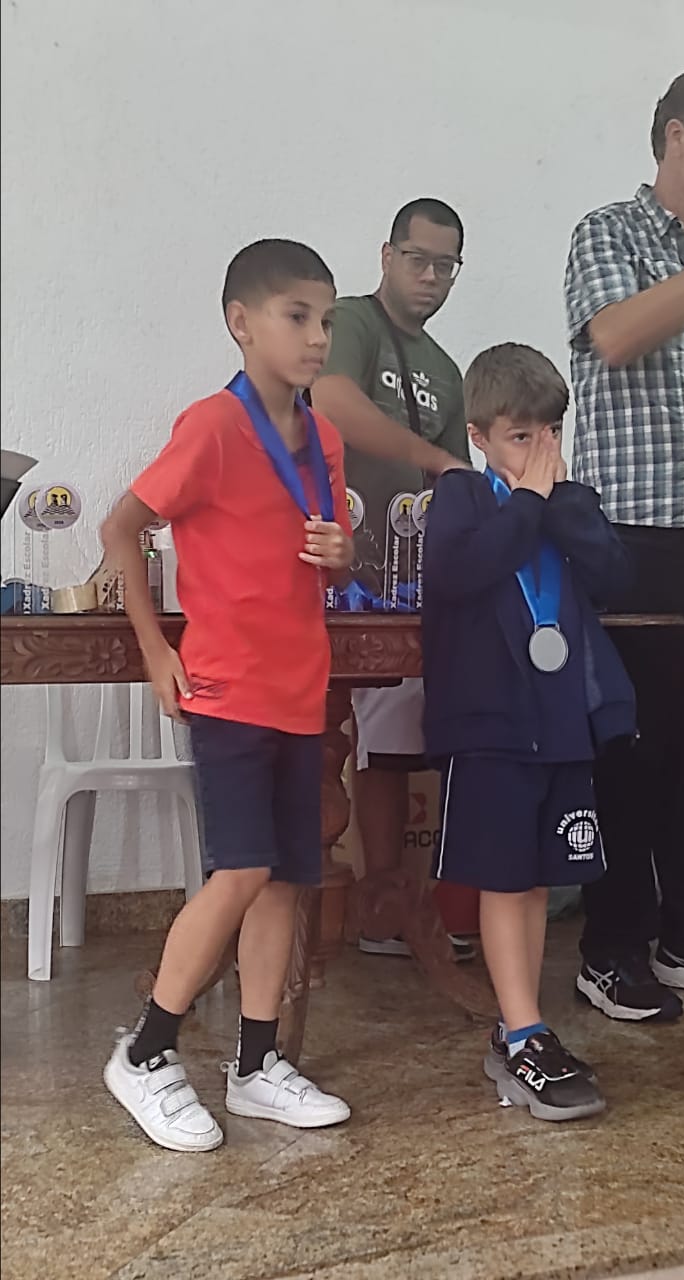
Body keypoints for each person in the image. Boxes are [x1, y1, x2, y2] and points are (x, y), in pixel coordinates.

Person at [101, 239, 354, 1152]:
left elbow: (328, 558)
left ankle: (255, 1066)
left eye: (327, 320)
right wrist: (154, 650)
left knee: (287, 879)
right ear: (241, 323)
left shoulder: (324, 438)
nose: (317, 337)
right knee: (241, 872)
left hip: (299, 686)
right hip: (229, 689)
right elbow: (121, 528)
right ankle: (145, 1052)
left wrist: (343, 555)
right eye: (298, 317)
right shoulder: (212, 427)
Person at [422, 343, 636, 1121]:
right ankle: (522, 1034)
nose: (541, 451)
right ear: (479, 436)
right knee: (504, 876)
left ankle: (523, 1028)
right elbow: (458, 572)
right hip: (493, 724)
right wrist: (528, 504)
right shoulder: (462, 496)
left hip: (560, 723)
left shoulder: (563, 505)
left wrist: (559, 501)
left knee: (541, 878)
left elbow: (615, 577)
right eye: (521, 436)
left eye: (551, 432)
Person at [565, 60, 684, 1021]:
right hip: (631, 534)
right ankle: (611, 948)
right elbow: (616, 337)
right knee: (628, 748)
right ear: (677, 136)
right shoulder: (609, 231)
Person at [312, 198, 472, 960]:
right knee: (313, 738)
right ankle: (303, 908)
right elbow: (332, 405)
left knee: (390, 740)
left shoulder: (446, 370)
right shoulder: (349, 321)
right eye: (418, 259)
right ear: (387, 255)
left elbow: (454, 479)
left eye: (446, 265)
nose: (431, 276)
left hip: (403, 583)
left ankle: (384, 905)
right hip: (326, 566)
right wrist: (432, 456)